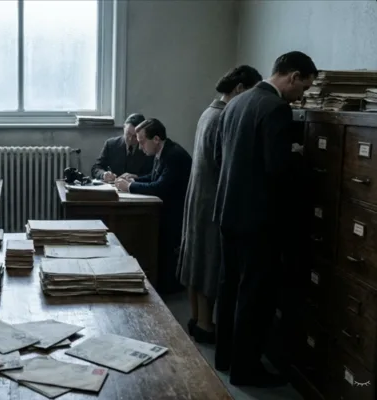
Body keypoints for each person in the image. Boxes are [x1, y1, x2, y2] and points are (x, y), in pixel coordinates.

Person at [212, 51, 317, 386]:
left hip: (228, 213)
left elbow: (220, 157)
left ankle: (224, 357)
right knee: (255, 296)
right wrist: (297, 156)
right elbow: (276, 169)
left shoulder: (235, 104)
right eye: (304, 88)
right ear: (293, 76)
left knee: (230, 287)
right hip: (258, 221)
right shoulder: (275, 108)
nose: (301, 97)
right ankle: (246, 369)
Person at [176, 65, 263, 344]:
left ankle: (196, 319)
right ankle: (205, 324)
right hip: (212, 198)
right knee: (209, 260)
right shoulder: (222, 117)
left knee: (195, 258)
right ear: (239, 89)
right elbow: (225, 163)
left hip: (199, 196)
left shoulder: (208, 112)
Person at [114, 118, 192, 294]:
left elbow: (159, 187)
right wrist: (134, 179)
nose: (140, 147)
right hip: (165, 208)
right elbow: (154, 177)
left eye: (142, 142)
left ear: (156, 139)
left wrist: (130, 187)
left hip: (175, 213)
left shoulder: (173, 155)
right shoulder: (163, 150)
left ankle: (164, 287)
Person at [91, 113, 154, 182]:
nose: (130, 139)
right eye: (128, 134)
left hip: (138, 186)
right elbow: (96, 168)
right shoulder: (111, 144)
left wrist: (137, 177)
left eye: (135, 136)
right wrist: (103, 174)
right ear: (124, 127)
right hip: (114, 186)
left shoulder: (149, 147)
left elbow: (153, 175)